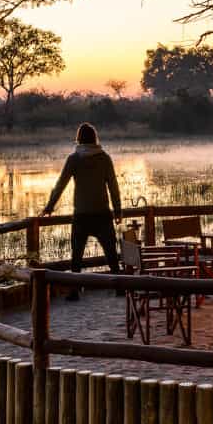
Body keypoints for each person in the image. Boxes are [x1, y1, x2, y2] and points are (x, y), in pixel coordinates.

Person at [41, 123, 122, 299]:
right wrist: (118, 211)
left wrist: (49, 206)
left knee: (76, 256)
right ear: (95, 138)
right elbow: (113, 187)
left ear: (78, 138)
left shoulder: (74, 159)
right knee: (111, 254)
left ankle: (74, 290)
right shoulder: (104, 158)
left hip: (81, 214)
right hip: (102, 213)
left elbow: (61, 184)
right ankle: (120, 288)